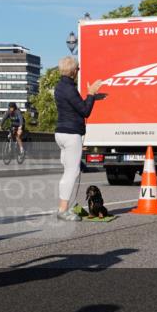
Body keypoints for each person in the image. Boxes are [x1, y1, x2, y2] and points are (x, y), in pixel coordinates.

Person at [53, 56, 104, 221]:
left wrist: (92, 97)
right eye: (78, 69)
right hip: (71, 134)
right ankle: (63, 210)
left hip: (60, 133)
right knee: (72, 172)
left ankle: (68, 206)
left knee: (67, 171)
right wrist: (90, 94)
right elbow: (84, 111)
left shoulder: (59, 87)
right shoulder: (69, 89)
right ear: (74, 71)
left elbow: (73, 106)